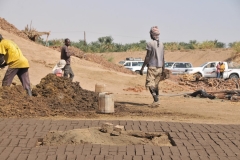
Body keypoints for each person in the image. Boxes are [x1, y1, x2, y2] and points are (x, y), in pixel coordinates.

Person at [140, 26, 165, 107]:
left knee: (150, 84)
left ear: (152, 34)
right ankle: (157, 100)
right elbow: (163, 57)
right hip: (160, 67)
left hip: (152, 67)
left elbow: (147, 57)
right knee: (156, 85)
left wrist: (142, 68)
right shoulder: (161, 44)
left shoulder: (150, 43)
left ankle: (156, 100)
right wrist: (163, 69)